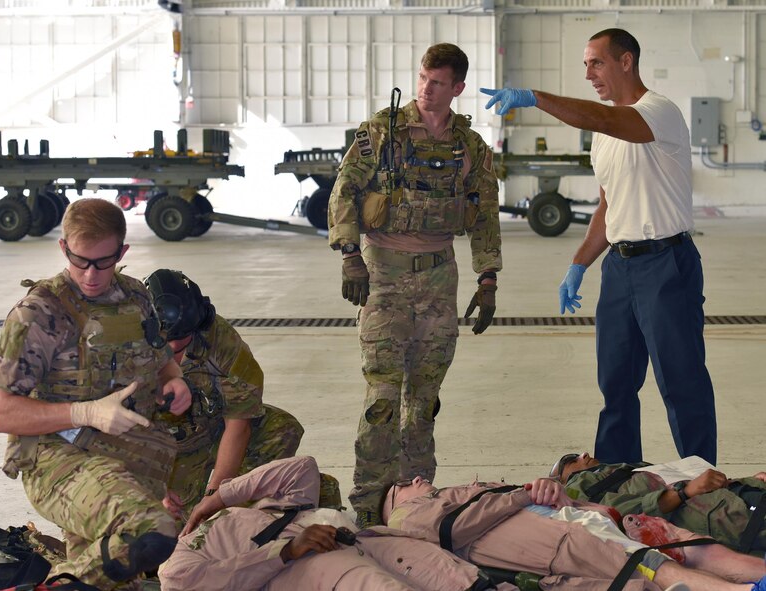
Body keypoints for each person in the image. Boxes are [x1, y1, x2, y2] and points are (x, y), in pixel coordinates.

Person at [481, 28, 718, 466]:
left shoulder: (658, 112)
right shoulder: (605, 137)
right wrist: (579, 265)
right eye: (585, 65)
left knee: (681, 381)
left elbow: (604, 118)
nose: (589, 73)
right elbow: (609, 207)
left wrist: (535, 97)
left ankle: (703, 483)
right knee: (616, 384)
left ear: (626, 61)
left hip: (667, 263)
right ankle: (615, 478)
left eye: (596, 63)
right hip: (620, 270)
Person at [327, 42, 502, 528]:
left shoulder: (469, 147)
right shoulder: (381, 133)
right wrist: (349, 255)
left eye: (438, 82)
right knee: (383, 397)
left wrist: (488, 278)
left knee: (424, 400)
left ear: (458, 88)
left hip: (439, 276)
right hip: (384, 272)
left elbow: (485, 211)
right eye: (424, 77)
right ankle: (367, 505)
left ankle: (415, 499)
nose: (427, 88)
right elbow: (344, 190)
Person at [0, 198, 192, 590]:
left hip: (129, 457)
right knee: (150, 531)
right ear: (64, 247)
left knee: (112, 576)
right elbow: (2, 414)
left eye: (104, 261)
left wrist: (174, 381)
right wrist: (87, 413)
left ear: (122, 252)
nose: (92, 274)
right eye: (81, 261)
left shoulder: (135, 297)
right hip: (56, 458)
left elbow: (162, 360)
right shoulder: (38, 313)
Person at [159, 456, 495, 591]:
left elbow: (301, 467)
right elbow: (209, 582)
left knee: (463, 579)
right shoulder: (175, 562)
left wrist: (217, 499)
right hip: (306, 564)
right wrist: (286, 551)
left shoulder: (269, 509)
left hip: (358, 541)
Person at [143, 269, 322, 522]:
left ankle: (257, 508)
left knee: (281, 428)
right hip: (162, 450)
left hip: (212, 427)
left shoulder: (220, 342)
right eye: (164, 340)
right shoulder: (128, 345)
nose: (173, 348)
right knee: (162, 528)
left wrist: (215, 497)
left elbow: (237, 426)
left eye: (181, 339)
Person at [383, 475, 766, 591]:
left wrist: (552, 487)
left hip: (588, 519)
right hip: (565, 538)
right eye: (401, 484)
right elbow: (453, 529)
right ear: (392, 505)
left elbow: (527, 497)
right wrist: (522, 494)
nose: (416, 478)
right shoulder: (407, 518)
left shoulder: (456, 492)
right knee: (656, 568)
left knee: (694, 548)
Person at [551, 451, 766, 553]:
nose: (583, 454)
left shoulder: (621, 469)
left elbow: (696, 481)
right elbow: (619, 515)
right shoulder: (578, 488)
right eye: (570, 460)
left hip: (735, 497)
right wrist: (686, 492)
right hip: (728, 515)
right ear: (560, 479)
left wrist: (747, 481)